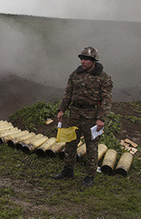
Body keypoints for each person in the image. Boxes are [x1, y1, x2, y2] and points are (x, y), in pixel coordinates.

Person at [53, 46, 113, 187]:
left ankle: (90, 176)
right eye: (82, 59)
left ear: (94, 61)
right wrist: (61, 110)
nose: (83, 62)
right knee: (70, 144)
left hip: (91, 117)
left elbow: (106, 100)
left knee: (91, 147)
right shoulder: (75, 74)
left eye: (86, 59)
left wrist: (101, 118)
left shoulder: (103, 78)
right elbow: (68, 93)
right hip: (74, 114)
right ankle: (68, 171)